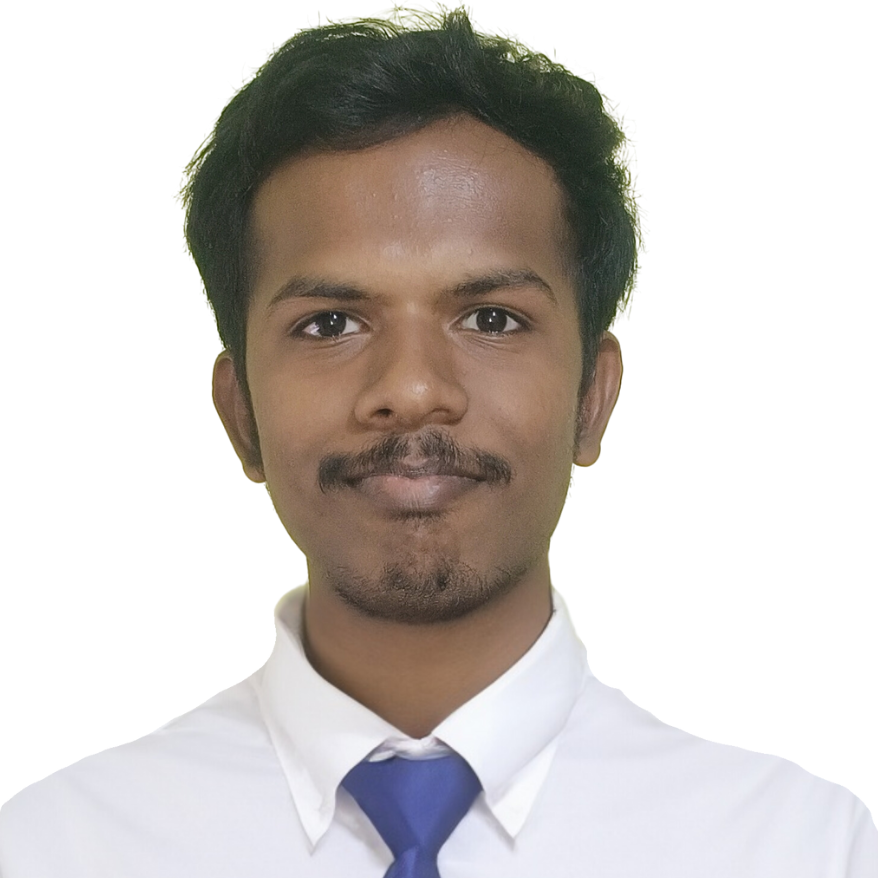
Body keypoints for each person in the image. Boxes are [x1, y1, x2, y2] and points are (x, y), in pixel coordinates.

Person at [1, 9, 875, 877]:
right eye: (330, 322)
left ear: (592, 398)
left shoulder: (805, 850)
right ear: (241, 416)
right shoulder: (54, 851)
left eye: (491, 318)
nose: (413, 389)